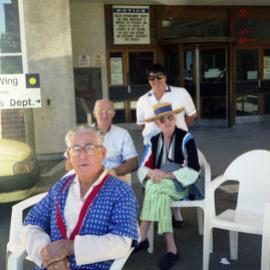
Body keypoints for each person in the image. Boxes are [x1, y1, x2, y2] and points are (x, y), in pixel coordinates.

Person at [21, 125, 139, 270]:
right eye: (76, 149)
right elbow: (32, 223)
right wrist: (45, 252)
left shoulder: (120, 191)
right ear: (69, 156)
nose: (82, 155)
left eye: (90, 147)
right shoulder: (60, 187)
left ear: (103, 152)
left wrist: (69, 247)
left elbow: (122, 242)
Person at [135, 102, 200, 270]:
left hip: (182, 185)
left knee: (153, 187)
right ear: (157, 123)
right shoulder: (154, 140)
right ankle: (171, 249)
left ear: (175, 118)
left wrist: (167, 175)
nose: (167, 122)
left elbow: (194, 169)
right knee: (158, 191)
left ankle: (142, 235)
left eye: (170, 117)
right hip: (161, 186)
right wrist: (152, 173)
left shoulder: (186, 137)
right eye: (162, 120)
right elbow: (143, 167)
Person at [136, 63, 197, 227]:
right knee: (153, 179)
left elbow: (191, 115)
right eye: (151, 78)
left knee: (170, 179)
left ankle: (172, 214)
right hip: (153, 147)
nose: (155, 80)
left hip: (178, 145)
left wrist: (176, 130)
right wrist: (158, 134)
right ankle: (161, 214)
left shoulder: (181, 93)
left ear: (166, 77)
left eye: (159, 76)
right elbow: (142, 124)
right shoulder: (143, 100)